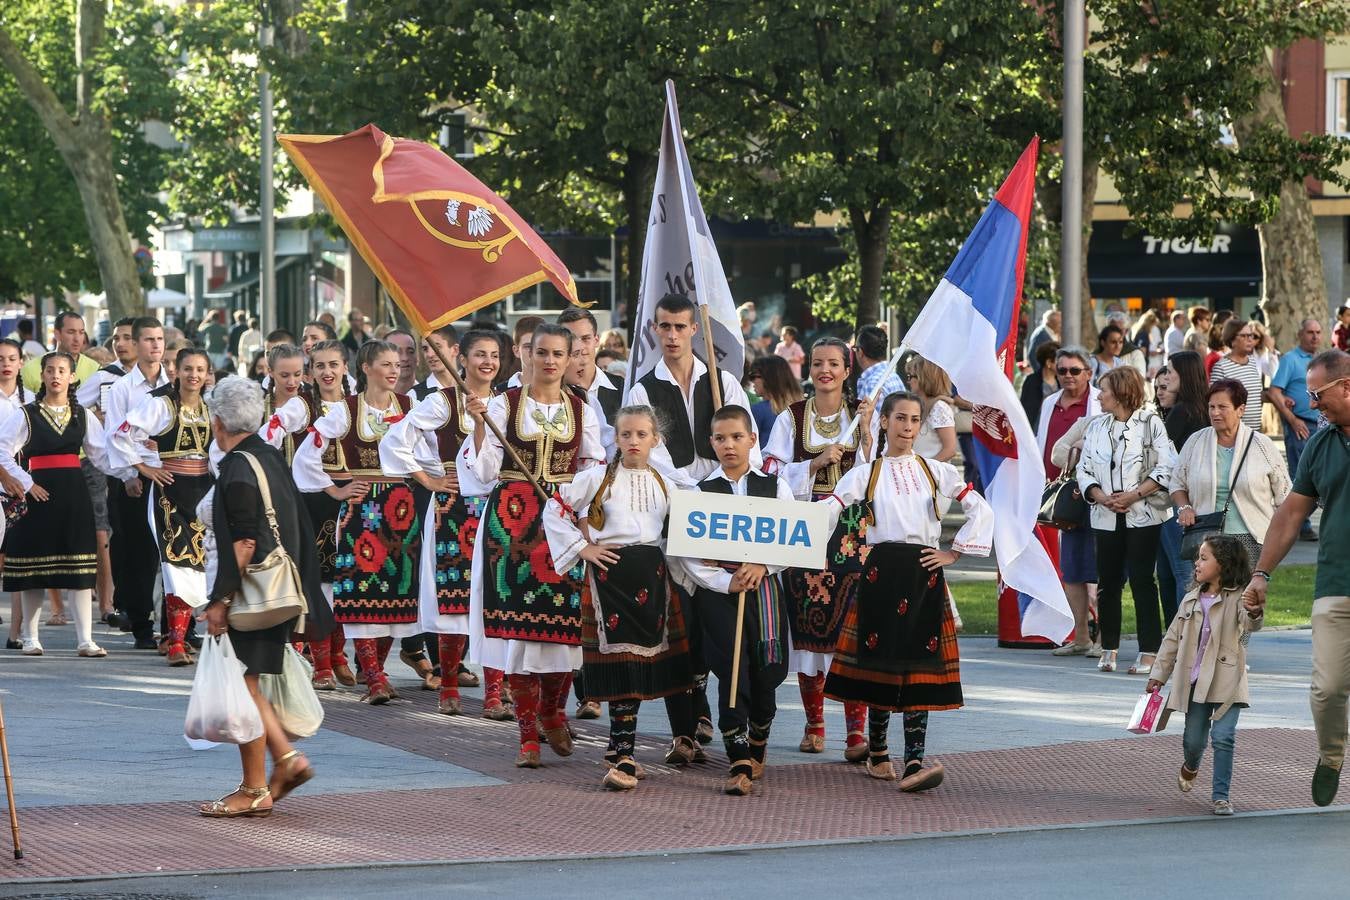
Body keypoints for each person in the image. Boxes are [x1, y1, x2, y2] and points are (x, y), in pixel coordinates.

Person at [820, 391, 993, 792]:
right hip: (881, 572)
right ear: (884, 422)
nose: (908, 427)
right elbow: (830, 507)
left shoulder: (937, 471)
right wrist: (795, 540)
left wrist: (954, 552)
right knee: (880, 661)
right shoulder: (868, 473)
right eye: (900, 418)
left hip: (923, 573)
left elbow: (980, 508)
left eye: (915, 420)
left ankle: (914, 757)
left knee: (918, 667)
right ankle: (878, 751)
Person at [463, 323, 605, 767]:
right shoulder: (504, 404)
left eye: (558, 354)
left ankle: (552, 711)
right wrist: (480, 426)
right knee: (519, 631)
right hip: (512, 524)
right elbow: (485, 471)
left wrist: (580, 511)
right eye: (541, 352)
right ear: (526, 356)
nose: (549, 361)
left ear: (570, 359)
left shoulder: (583, 409)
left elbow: (594, 466)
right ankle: (527, 733)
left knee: (563, 628)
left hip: (561, 523)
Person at [542, 405, 696, 791]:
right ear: (615, 438)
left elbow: (688, 528)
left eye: (641, 434)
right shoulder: (596, 478)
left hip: (654, 578)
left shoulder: (667, 483)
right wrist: (582, 548)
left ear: (655, 440)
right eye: (625, 434)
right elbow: (555, 507)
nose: (632, 441)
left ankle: (618, 749)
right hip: (610, 579)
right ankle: (624, 758)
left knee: (642, 666)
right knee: (622, 665)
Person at [197, 375, 327, 819]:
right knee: (249, 684)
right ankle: (284, 763)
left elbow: (246, 542)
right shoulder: (268, 455)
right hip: (282, 591)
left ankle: (258, 784)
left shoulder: (237, 466)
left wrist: (219, 601)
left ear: (218, 421)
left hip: (256, 596)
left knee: (243, 686)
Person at [670, 406, 794, 796]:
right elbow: (688, 555)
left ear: (752, 439)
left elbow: (794, 538)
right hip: (721, 595)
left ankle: (759, 735)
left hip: (766, 590)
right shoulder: (700, 493)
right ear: (711, 443)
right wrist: (725, 581)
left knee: (768, 668)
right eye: (720, 438)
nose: (729, 445)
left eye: (736, 437)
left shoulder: (776, 487)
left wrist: (763, 563)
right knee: (731, 667)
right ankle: (737, 753)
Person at [1245, 348, 1350, 807]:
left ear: (1347, 385)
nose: (1311, 404)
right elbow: (1290, 515)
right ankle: (1331, 756)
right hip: (1336, 583)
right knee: (1327, 690)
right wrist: (1261, 573)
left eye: (1318, 395)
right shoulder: (1321, 446)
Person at [763, 337, 875, 762]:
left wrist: (865, 433)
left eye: (833, 363)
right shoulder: (791, 419)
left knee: (850, 626)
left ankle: (855, 731)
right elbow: (769, 470)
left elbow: (877, 470)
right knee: (807, 625)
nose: (824, 370)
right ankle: (814, 724)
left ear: (848, 370)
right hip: (807, 528)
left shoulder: (861, 416)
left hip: (849, 531)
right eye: (817, 363)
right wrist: (812, 464)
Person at [293, 340, 416, 704]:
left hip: (401, 508)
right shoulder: (347, 410)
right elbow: (306, 455)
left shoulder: (411, 406)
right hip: (362, 509)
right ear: (365, 368)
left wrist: (432, 482)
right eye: (386, 364)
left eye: (398, 364)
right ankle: (374, 677)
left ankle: (377, 669)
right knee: (361, 591)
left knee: (396, 591)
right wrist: (335, 491)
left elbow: (429, 453)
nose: (395, 370)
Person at [381, 326, 483, 715]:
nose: (486, 362)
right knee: (449, 596)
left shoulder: (511, 401)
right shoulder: (438, 400)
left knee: (493, 596)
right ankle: (447, 678)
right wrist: (430, 478)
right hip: (449, 504)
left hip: (497, 507)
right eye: (480, 355)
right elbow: (396, 439)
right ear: (466, 358)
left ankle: (495, 689)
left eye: (492, 355)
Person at [0, 351, 114, 658]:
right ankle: (30, 637)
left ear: (72, 376)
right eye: (50, 370)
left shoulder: (83, 415)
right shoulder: (27, 414)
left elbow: (103, 455)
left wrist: (134, 469)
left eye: (62, 370)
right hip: (38, 494)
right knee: (34, 568)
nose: (55, 375)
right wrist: (26, 483)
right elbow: (2, 450)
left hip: (73, 495)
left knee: (79, 567)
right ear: (43, 375)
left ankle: (85, 640)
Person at [109, 348, 216, 667]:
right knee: (175, 565)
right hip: (169, 493)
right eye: (187, 368)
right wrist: (144, 467)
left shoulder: (212, 407)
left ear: (208, 373)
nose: (194, 375)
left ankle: (179, 636)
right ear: (176, 372)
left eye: (200, 369)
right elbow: (120, 432)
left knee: (202, 564)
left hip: (204, 491)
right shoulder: (161, 405)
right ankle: (177, 643)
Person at [1147, 535, 1262, 816]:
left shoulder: (1238, 597)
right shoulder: (1190, 600)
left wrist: (1254, 611)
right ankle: (1191, 765)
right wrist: (1158, 675)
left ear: (1222, 564)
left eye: (1203, 557)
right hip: (1195, 682)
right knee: (1193, 741)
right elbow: (1172, 640)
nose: (1196, 563)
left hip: (1227, 680)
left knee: (1223, 737)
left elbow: (1248, 623)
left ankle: (1221, 796)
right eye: (1198, 557)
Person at [1076, 366, 1176, 675]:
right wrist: (1099, 495)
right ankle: (1109, 647)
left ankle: (1149, 650)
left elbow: (1167, 465)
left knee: (1143, 581)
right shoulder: (1096, 427)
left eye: (1103, 389)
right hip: (1105, 513)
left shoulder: (1151, 423)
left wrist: (1134, 495)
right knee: (1107, 582)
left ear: (1120, 392)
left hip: (1143, 514)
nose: (1099, 395)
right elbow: (1084, 468)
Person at [273, 340, 355, 690]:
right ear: (311, 372)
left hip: (352, 496)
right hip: (311, 499)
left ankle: (339, 654)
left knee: (346, 578)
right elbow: (271, 431)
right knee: (316, 579)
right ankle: (322, 661)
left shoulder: (357, 404)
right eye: (319, 366)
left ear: (345, 368)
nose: (327, 372)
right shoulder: (302, 405)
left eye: (333, 364)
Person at [1170, 378, 1291, 577]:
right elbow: (1177, 482)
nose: (1215, 412)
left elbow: (1284, 495)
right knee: (1208, 602)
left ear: (1240, 410)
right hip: (1206, 540)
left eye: (1222, 407)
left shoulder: (1262, 445)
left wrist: (1277, 537)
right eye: (1211, 407)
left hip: (1251, 540)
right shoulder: (1195, 441)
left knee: (1245, 602)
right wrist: (1184, 507)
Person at [103, 316, 169, 650]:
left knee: (175, 551)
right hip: (135, 478)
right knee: (140, 551)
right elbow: (113, 434)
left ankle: (177, 624)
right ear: (136, 344)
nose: (155, 345)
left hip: (173, 475)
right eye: (148, 339)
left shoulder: (175, 383)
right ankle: (142, 623)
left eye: (159, 339)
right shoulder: (122, 388)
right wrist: (132, 473)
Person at [1039, 348, 1102, 656]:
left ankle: (1105, 637)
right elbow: (1050, 451)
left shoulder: (1100, 404)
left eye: (1074, 371)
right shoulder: (1049, 403)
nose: (1067, 376)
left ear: (1088, 373)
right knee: (1072, 569)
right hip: (1064, 496)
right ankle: (1080, 637)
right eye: (1062, 370)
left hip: (1099, 498)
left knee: (1101, 570)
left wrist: (1079, 448)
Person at [1155, 351, 1210, 618]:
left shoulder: (1181, 412)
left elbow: (1159, 455)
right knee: (1173, 571)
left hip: (1175, 500)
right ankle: (1177, 636)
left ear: (1183, 376)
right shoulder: (1203, 408)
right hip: (1198, 498)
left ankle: (1179, 634)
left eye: (1170, 372)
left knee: (1178, 572)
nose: (1165, 377)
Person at [1269, 318, 1323, 541]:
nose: (1315, 337)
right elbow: (1274, 392)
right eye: (1310, 332)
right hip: (1300, 425)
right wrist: (1292, 419)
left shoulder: (1321, 360)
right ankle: (1296, 524)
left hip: (1321, 424)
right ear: (1300, 334)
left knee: (1320, 476)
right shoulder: (1290, 359)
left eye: (1318, 332)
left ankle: (1294, 521)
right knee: (1301, 477)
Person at [1209, 319, 1264, 432]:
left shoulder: (1252, 362)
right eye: (1244, 336)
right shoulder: (1221, 367)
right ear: (1232, 340)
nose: (1250, 339)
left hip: (1255, 431)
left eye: (1251, 335)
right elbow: (1213, 402)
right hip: (1233, 433)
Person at [20, 311, 98, 392]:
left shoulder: (95, 369)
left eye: (81, 332)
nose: (77, 339)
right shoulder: (30, 370)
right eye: (71, 332)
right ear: (57, 334)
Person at [747, 356, 802, 449]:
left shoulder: (758, 410)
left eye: (753, 376)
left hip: (766, 462)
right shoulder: (803, 409)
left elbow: (749, 448)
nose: (751, 381)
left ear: (768, 379)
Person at [909, 358, 958, 462]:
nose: (908, 381)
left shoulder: (939, 407)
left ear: (924, 378)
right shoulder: (921, 404)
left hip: (932, 475)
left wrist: (925, 470)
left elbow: (950, 450)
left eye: (910, 376)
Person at [854, 324, 904, 400]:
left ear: (860, 352)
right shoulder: (893, 376)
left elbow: (871, 412)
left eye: (855, 348)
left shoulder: (872, 384)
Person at [1020, 340, 1060, 433]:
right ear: (1049, 363)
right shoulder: (1032, 381)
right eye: (1058, 361)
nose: (1061, 364)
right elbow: (1027, 409)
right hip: (1036, 429)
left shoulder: (1061, 381)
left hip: (1055, 428)